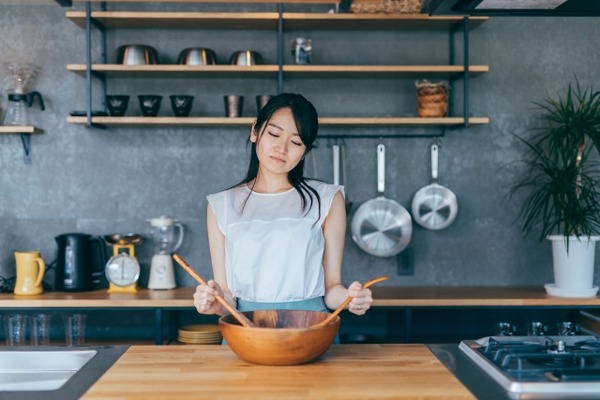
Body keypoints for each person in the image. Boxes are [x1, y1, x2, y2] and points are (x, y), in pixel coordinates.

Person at [193, 92, 375, 322]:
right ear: (255, 131)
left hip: (310, 328)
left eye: (296, 142)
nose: (282, 148)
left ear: (305, 152)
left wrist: (351, 298)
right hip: (247, 330)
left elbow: (331, 290)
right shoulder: (222, 204)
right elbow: (227, 297)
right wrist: (212, 301)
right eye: (274, 134)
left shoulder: (327, 199)